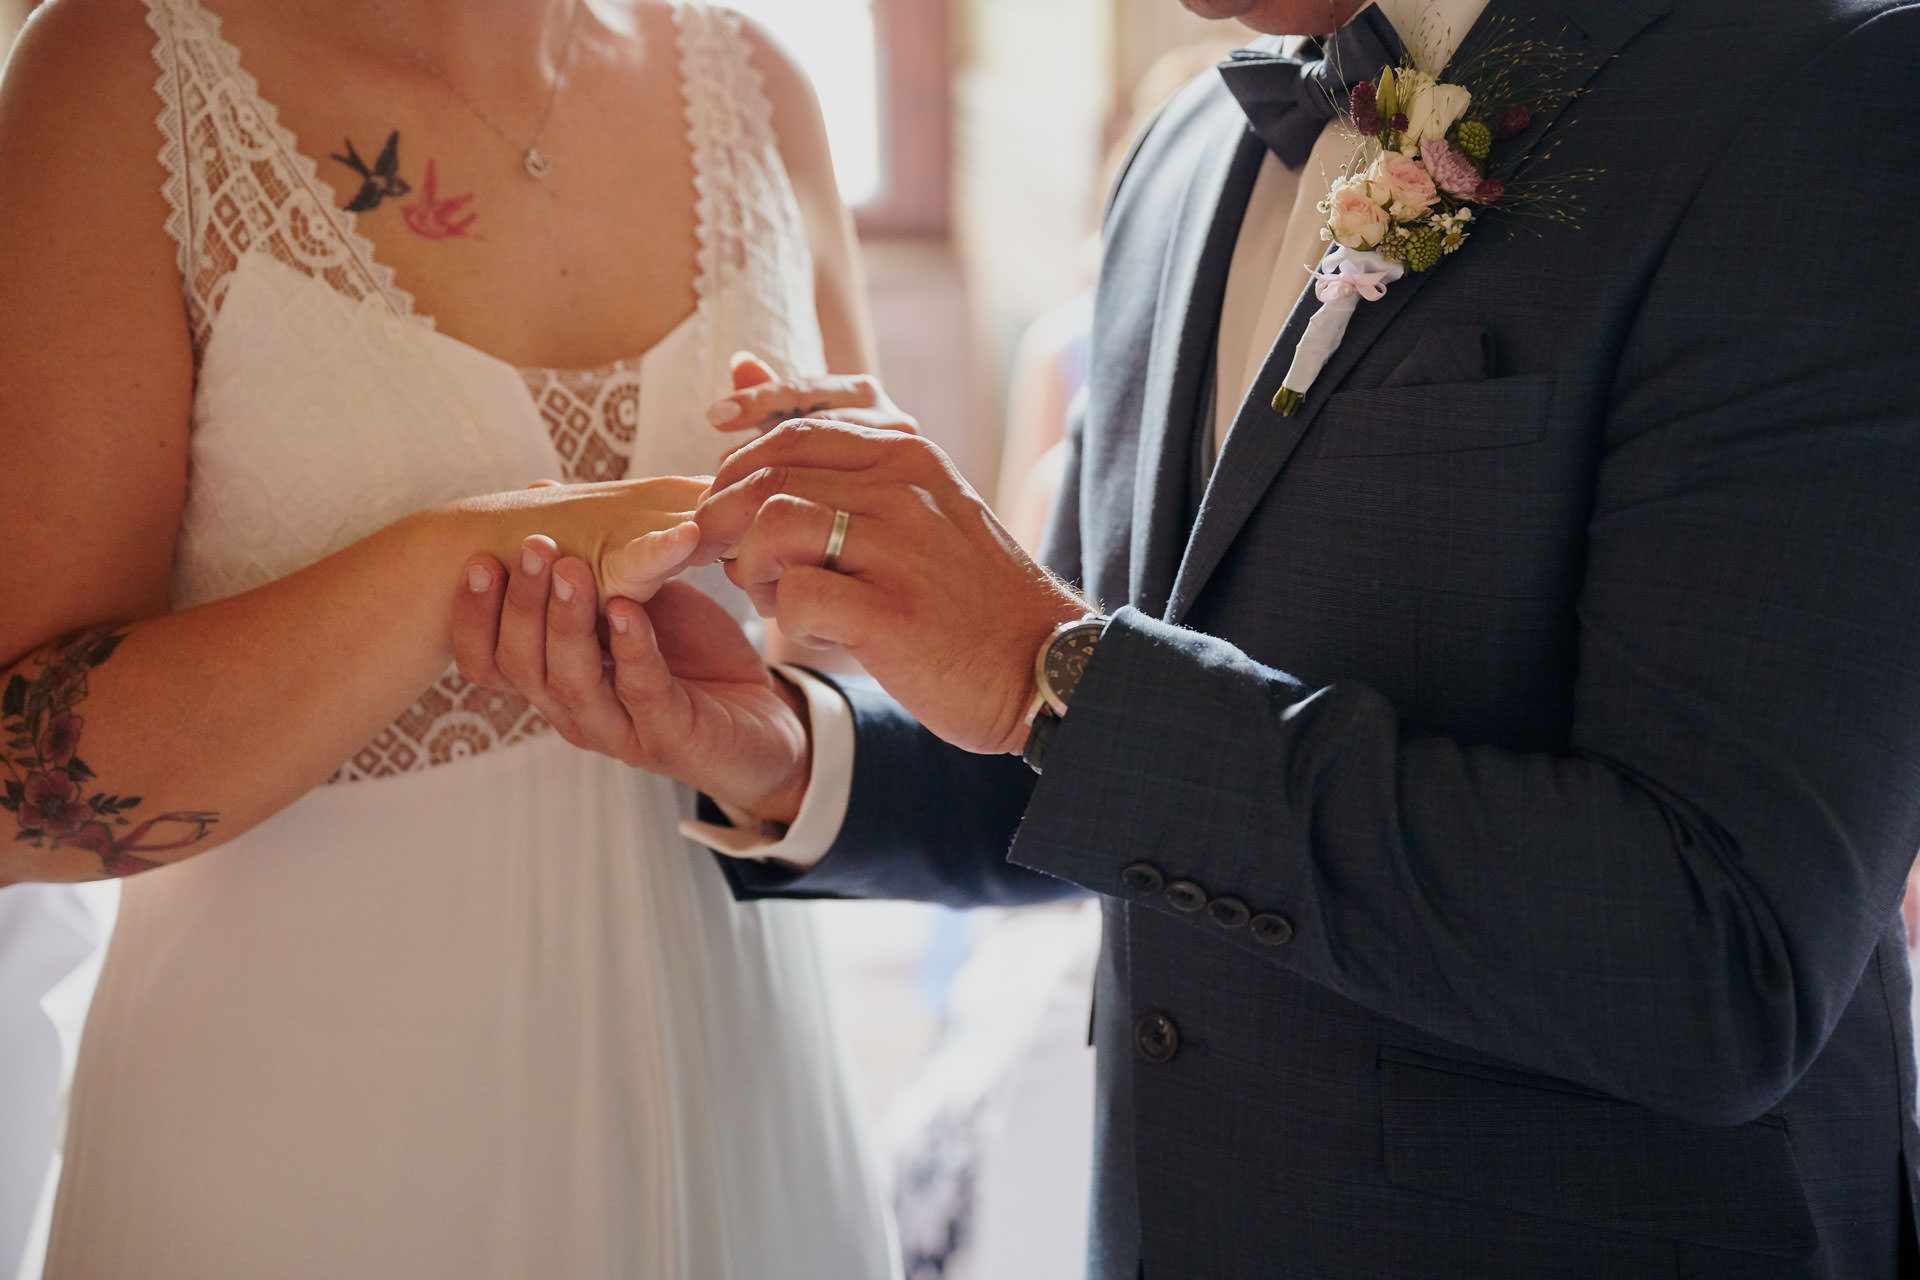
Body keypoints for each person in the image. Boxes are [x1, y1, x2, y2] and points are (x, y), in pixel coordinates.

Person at [456, 0, 1920, 1274]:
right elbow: (1088, 759)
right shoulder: (1178, 173)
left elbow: (1722, 959)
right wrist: (787, 749)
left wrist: (1053, 675)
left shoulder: (1818, 102)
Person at [0, 0, 897, 1275]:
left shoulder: (764, 87)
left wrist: (806, 649)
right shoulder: (116, 72)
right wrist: (448, 567)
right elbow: (13, 779)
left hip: (748, 1088)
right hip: (301, 1158)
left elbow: (861, 668)